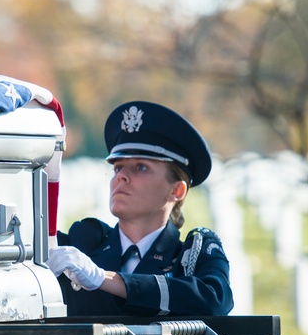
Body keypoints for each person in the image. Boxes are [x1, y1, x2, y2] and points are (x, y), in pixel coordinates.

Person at [49, 101, 233, 317]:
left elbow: (215, 300)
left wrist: (104, 279)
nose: (121, 176)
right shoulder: (82, 244)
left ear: (177, 190)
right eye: (118, 167)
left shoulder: (192, 258)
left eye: (140, 167)